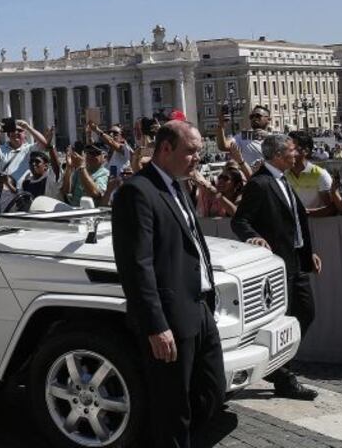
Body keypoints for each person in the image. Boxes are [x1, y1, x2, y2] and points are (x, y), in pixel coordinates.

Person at [111, 121, 224, 448]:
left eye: (199, 152)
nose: (197, 159)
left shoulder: (178, 186)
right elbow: (136, 266)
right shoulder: (137, 192)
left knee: (212, 391)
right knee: (171, 405)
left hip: (199, 309)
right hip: (169, 318)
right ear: (165, 149)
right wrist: (155, 325)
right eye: (191, 151)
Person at [231, 134, 321, 401]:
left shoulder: (282, 181)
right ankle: (283, 375)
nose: (297, 154)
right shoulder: (260, 184)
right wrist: (253, 238)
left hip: (296, 261)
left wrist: (308, 251)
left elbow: (294, 221)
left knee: (306, 312)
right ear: (279, 155)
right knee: (285, 319)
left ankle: (279, 367)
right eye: (292, 151)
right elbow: (240, 221)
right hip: (278, 265)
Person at [0, 120, 50, 208]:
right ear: (8, 134)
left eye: (20, 131)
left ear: (25, 135)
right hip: (5, 194)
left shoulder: (29, 149)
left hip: (23, 193)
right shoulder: (1, 149)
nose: (16, 133)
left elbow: (45, 144)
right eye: (13, 130)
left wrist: (28, 127)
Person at [285, 131, 335, 217]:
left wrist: (305, 213)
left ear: (306, 151)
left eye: (292, 149)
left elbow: (331, 208)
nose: (287, 153)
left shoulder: (320, 174)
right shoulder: (283, 174)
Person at [60, 142, 110, 206]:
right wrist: (69, 167)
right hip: (74, 211)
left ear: (105, 157)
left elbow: (95, 193)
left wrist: (82, 167)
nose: (90, 156)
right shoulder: (79, 171)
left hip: (91, 213)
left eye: (94, 153)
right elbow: (65, 191)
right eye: (88, 152)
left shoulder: (105, 174)